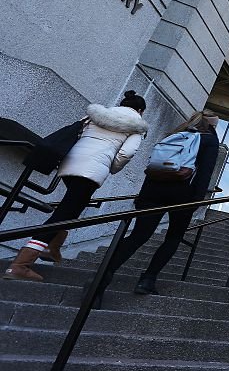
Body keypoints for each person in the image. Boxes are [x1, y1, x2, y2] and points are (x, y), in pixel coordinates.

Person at [4, 91, 148, 282]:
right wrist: (109, 168)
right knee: (63, 213)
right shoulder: (137, 126)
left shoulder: (96, 115)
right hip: (92, 170)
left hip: (69, 165)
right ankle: (20, 265)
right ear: (140, 110)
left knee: (71, 207)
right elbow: (125, 154)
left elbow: (76, 134)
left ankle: (52, 247)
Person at [99, 110, 220, 298]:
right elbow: (205, 173)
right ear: (213, 124)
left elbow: (155, 165)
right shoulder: (210, 140)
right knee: (173, 238)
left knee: (139, 235)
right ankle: (148, 279)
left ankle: (103, 277)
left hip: (153, 190)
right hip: (183, 194)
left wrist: (143, 195)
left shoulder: (176, 134)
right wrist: (196, 201)